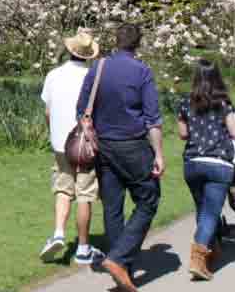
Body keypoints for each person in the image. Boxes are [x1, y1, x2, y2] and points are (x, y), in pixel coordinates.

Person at [76, 23, 164, 292]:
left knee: (112, 207)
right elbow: (152, 120)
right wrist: (159, 153)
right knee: (148, 199)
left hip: (103, 147)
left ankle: (120, 265)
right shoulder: (142, 71)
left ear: (116, 41)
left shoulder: (98, 68)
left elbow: (81, 110)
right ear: (138, 44)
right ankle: (119, 259)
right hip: (133, 146)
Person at [38, 31, 105, 266]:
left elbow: (48, 112)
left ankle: (58, 233)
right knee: (85, 194)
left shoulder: (54, 75)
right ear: (88, 55)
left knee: (63, 190)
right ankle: (83, 248)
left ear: (69, 50)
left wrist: (54, 133)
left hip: (60, 144)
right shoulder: (94, 78)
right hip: (84, 146)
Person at [177, 59, 235, 281]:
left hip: (193, 163)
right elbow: (234, 133)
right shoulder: (223, 102)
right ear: (217, 77)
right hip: (218, 163)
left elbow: (183, 133)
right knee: (210, 213)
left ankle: (210, 250)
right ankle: (198, 259)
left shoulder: (186, 101)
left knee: (202, 211)